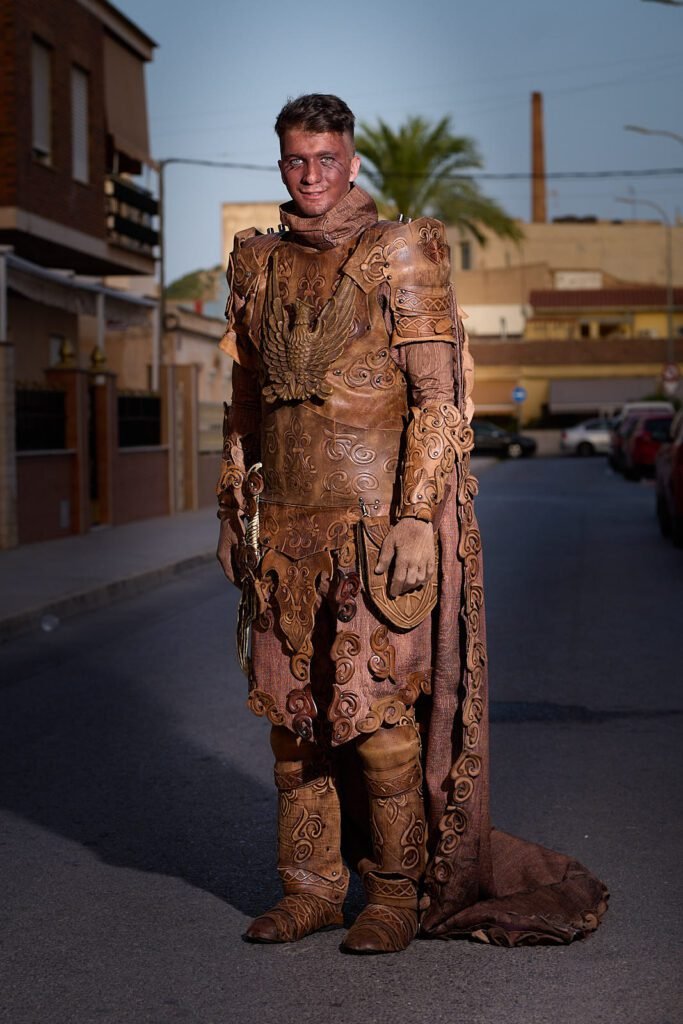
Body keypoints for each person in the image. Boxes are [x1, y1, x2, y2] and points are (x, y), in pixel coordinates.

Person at [217, 94, 607, 954]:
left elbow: (437, 401)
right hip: (284, 534)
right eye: (293, 160)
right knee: (294, 721)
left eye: (324, 159)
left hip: (372, 532)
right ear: (279, 162)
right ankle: (311, 889)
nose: (309, 175)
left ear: (350, 161)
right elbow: (243, 401)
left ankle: (391, 893)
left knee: (379, 720)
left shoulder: (400, 251)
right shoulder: (255, 265)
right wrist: (231, 504)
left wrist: (415, 519)